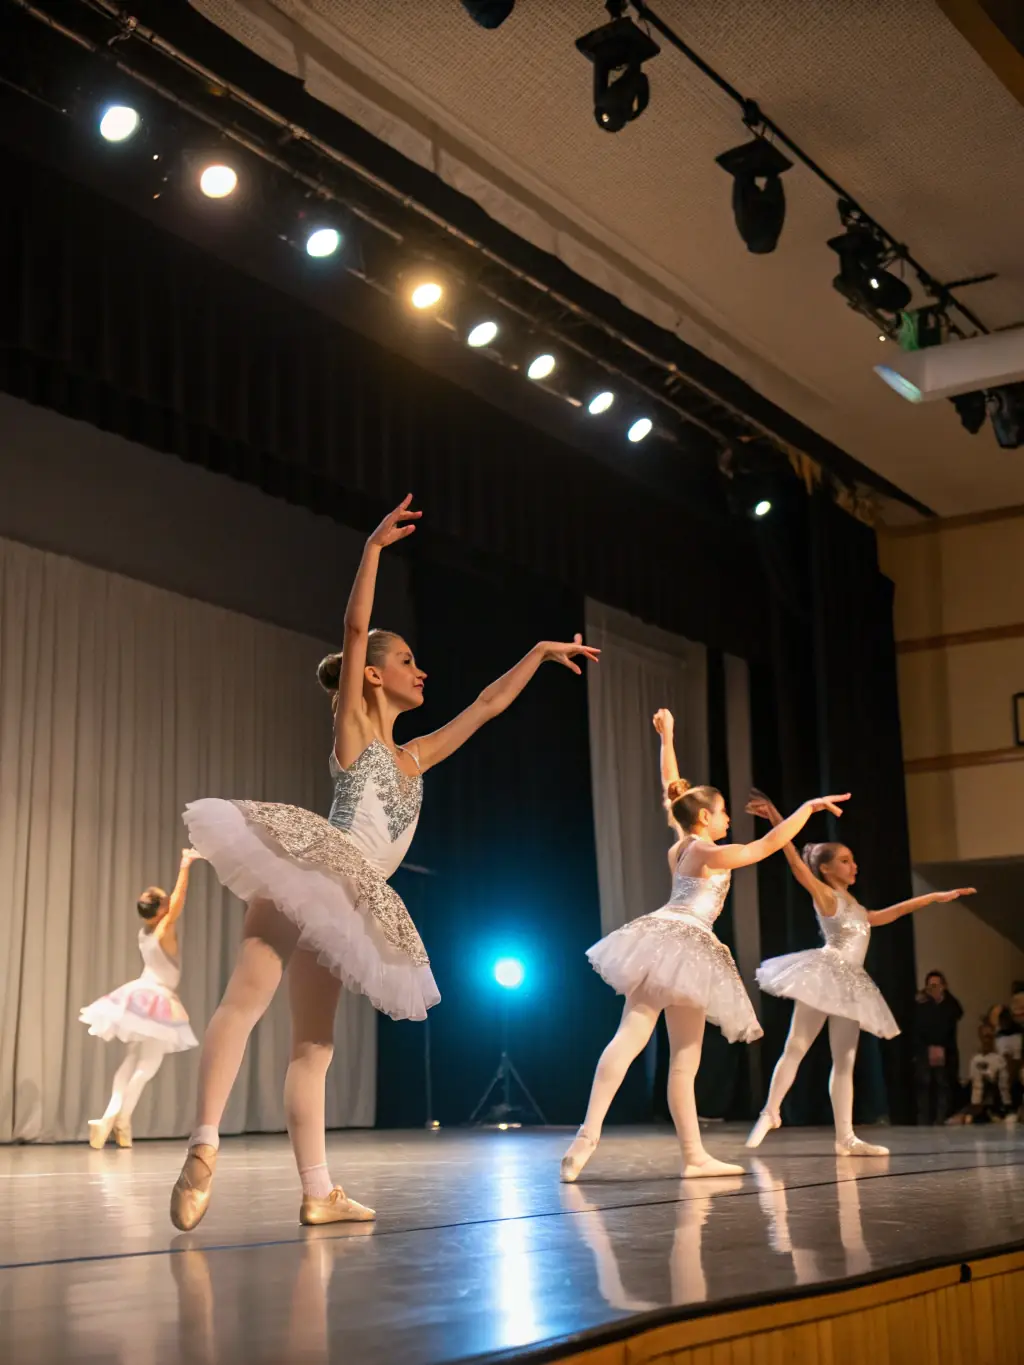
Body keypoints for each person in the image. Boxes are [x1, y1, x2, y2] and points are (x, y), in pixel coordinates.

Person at [171, 494, 598, 1230]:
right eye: (406, 661)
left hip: (352, 896)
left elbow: (489, 706)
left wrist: (537, 652)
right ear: (370, 678)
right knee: (248, 1003)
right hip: (312, 863)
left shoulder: (414, 755)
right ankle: (204, 1143)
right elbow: (355, 627)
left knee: (315, 1043)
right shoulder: (356, 729)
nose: (420, 670)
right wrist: (372, 550)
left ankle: (316, 1191)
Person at [560, 708, 849, 1183]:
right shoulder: (708, 851)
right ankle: (661, 1150)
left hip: (661, 939)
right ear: (705, 817)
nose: (729, 819)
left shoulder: (682, 846)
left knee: (638, 1040)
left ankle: (600, 1142)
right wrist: (809, 808)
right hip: (686, 943)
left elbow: (671, 789)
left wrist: (667, 737)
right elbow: (766, 846)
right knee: (681, 1058)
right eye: (723, 813)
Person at [745, 792, 975, 1155]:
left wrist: (934, 897)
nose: (855, 866)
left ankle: (845, 1137)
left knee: (845, 1061)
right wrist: (776, 816)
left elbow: (895, 912)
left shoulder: (857, 906)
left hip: (851, 983)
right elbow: (794, 864)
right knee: (796, 1047)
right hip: (825, 973)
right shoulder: (826, 896)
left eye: (853, 860)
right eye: (846, 861)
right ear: (826, 869)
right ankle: (771, 1111)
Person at [81, 848, 203, 1148]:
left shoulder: (144, 932)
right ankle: (117, 1119)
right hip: (157, 997)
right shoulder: (163, 928)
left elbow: (170, 903)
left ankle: (114, 1115)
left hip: (138, 994)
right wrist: (185, 865)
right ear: (161, 909)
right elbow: (178, 900)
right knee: (148, 1063)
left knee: (134, 1058)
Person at [914, 970, 964, 1126]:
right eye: (930, 986)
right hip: (925, 1051)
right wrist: (928, 1047)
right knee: (924, 1085)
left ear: (944, 986)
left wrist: (940, 1047)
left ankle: (941, 1119)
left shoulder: (950, 1005)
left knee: (944, 1085)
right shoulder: (922, 1004)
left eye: (936, 985)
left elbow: (956, 1015)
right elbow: (917, 1027)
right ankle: (924, 1121)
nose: (933, 989)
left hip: (945, 1051)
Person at [947, 1021, 1012, 1124]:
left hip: (994, 1105)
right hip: (975, 1103)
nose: (986, 1040)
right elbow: (972, 1083)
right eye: (984, 1036)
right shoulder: (975, 1059)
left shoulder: (999, 1060)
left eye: (989, 1036)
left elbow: (996, 1087)